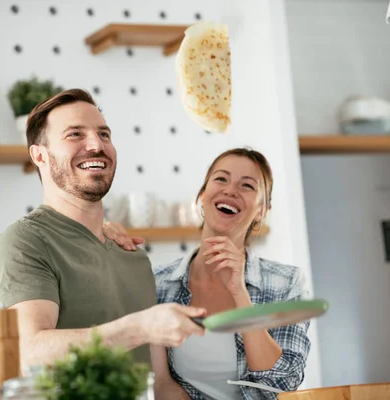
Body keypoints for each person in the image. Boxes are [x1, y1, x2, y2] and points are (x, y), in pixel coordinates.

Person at [0, 88, 207, 371]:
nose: (96, 145)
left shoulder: (133, 257)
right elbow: (28, 350)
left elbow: (160, 385)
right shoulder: (24, 242)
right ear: (40, 156)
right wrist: (140, 327)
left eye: (104, 134)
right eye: (75, 134)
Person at [105, 148, 312, 400]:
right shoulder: (157, 284)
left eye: (247, 186)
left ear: (262, 210)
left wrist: (239, 292)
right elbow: (147, 380)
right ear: (202, 196)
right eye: (221, 179)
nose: (230, 190)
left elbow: (283, 383)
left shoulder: (286, 283)